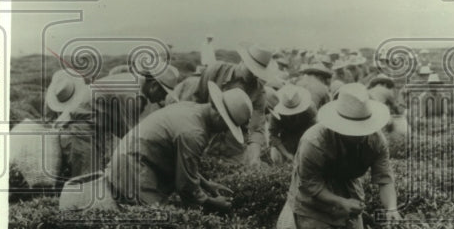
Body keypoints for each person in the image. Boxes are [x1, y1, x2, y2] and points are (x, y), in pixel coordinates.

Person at [105, 83, 252, 211]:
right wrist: (212, 202)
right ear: (219, 116)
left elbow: (181, 162)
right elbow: (186, 186)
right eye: (227, 126)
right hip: (134, 167)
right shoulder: (194, 133)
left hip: (133, 158)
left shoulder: (191, 108)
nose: (224, 131)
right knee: (158, 218)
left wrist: (207, 184)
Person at [277, 83, 400, 229]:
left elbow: (384, 179)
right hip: (312, 202)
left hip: (348, 189)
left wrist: (391, 208)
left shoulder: (376, 141)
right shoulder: (314, 142)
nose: (360, 135)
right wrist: (340, 202)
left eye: (363, 128)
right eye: (353, 130)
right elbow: (310, 185)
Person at [191, 44, 285, 165]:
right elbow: (197, 102)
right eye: (251, 70)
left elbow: (256, 129)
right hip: (205, 142)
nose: (254, 75)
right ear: (243, 61)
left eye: (258, 73)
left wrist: (254, 157)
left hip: (233, 151)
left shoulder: (258, 92)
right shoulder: (215, 71)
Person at [268, 84, 317, 165]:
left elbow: (314, 133)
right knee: (276, 156)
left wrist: (304, 151)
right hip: (286, 140)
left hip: (305, 138)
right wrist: (287, 154)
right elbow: (273, 135)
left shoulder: (310, 109)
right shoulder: (276, 111)